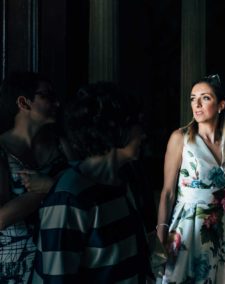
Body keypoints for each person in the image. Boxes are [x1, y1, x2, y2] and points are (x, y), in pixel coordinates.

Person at [32, 82, 153, 283]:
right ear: (115, 127)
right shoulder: (70, 196)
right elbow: (57, 278)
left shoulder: (124, 182)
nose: (143, 134)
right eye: (137, 124)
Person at [156, 74, 225, 283]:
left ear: (221, 105)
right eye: (192, 98)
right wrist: (160, 241)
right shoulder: (180, 138)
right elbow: (167, 193)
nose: (196, 104)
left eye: (205, 98)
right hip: (188, 228)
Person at [0, 71, 68, 283]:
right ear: (23, 102)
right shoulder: (2, 151)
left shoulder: (61, 146)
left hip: (59, 257)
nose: (57, 103)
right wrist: (53, 187)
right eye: (47, 96)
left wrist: (52, 185)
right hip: (14, 268)